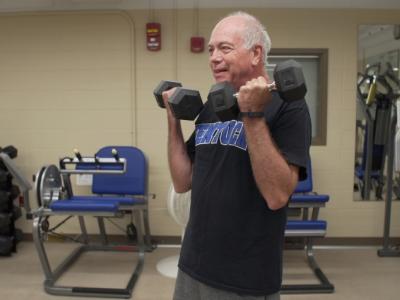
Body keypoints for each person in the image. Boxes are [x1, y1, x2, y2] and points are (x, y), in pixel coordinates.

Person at [162, 11, 311, 300]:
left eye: (225, 48)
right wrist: (172, 119)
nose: (213, 57)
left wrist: (253, 114)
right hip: (193, 263)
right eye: (210, 50)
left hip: (244, 276)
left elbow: (278, 196)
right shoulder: (215, 104)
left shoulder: (288, 106)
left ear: (256, 53)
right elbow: (182, 181)